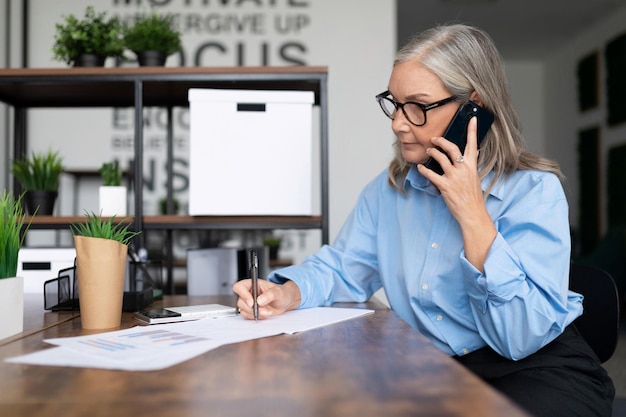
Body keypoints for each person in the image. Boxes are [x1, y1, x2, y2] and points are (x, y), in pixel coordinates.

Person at [232, 24, 615, 416]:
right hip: (432, 367)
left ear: (474, 107)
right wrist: (288, 293)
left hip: (538, 368)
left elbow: (518, 337)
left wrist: (471, 211)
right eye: (394, 103)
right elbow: (343, 267)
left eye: (417, 106)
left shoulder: (534, 192)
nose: (398, 122)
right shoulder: (390, 190)